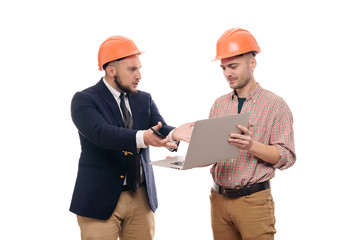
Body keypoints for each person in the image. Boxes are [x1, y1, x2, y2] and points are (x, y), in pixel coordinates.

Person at [69, 35, 193, 240]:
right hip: (100, 199)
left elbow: (158, 127)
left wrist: (173, 133)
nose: (139, 75)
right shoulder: (84, 100)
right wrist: (143, 137)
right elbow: (101, 134)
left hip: (140, 198)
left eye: (140, 68)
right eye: (132, 69)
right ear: (111, 70)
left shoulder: (144, 98)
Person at [209, 28, 296, 240]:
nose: (227, 73)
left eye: (233, 66)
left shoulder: (276, 105)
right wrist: (187, 156)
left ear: (252, 63)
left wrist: (252, 146)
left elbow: (287, 157)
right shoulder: (219, 105)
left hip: (254, 202)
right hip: (218, 200)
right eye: (223, 68)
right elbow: (211, 154)